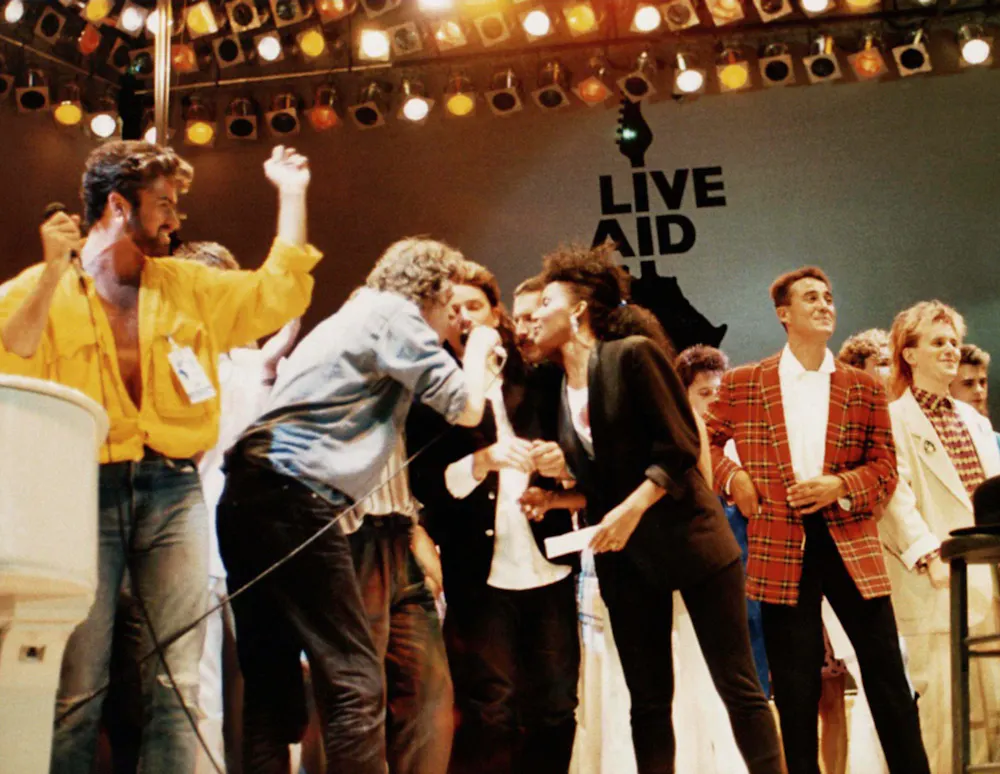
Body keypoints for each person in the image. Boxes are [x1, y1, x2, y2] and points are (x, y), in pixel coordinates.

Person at [0, 141, 320, 774]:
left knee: (178, 679)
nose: (175, 220)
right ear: (119, 206)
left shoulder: (186, 284)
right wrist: (51, 273)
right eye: (164, 206)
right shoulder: (43, 283)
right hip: (81, 494)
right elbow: (14, 351)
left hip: (174, 491)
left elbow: (277, 294)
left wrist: (291, 193)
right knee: (78, 684)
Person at [216, 238, 501, 774]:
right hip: (294, 499)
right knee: (354, 681)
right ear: (434, 293)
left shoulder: (349, 319)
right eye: (451, 312)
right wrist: (481, 348)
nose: (451, 326)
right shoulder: (393, 313)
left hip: (246, 497)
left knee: (271, 688)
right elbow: (465, 409)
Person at [529, 241, 783, 774]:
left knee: (738, 686)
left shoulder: (633, 355)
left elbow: (680, 448)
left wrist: (629, 509)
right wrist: (557, 497)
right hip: (626, 559)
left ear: (577, 309)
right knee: (647, 701)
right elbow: (604, 485)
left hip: (690, 538)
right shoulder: (556, 388)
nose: (532, 318)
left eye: (544, 303)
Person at [703, 266, 929, 774]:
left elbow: (886, 467)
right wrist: (733, 479)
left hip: (850, 540)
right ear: (784, 314)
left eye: (828, 296)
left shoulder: (863, 388)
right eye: (811, 297)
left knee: (888, 678)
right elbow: (704, 437)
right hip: (782, 545)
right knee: (796, 688)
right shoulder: (744, 383)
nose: (825, 304)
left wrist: (841, 486)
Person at [406, 261, 579, 774]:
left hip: (546, 558)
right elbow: (426, 486)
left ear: (495, 311)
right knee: (491, 706)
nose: (462, 317)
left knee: (555, 704)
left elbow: (576, 454)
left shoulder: (539, 375)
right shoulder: (428, 394)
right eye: (451, 309)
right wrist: (480, 461)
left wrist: (558, 464)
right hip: (477, 569)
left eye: (473, 306)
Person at [173, 240, 302, 774]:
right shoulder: (172, 359)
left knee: (274, 676)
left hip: (260, 536)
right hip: (190, 533)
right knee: (196, 682)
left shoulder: (261, 362)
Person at [879, 301, 1000, 774]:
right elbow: (894, 499)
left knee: (994, 718)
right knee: (947, 716)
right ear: (909, 354)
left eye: (953, 341)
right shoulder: (892, 420)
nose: (951, 350)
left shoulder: (976, 422)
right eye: (937, 342)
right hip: (938, 585)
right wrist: (929, 556)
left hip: (990, 581)